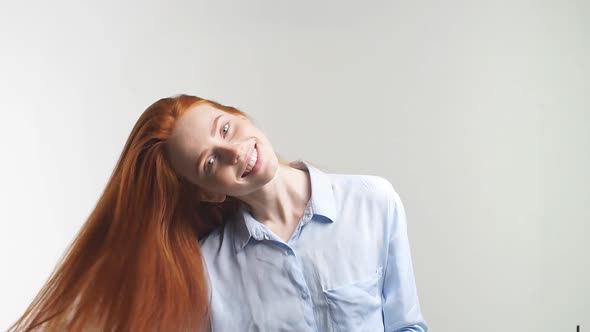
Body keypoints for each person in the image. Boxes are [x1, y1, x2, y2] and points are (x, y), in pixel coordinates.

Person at [9, 94, 427, 332]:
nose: (234, 151)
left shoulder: (374, 201)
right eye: (211, 163)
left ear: (238, 115)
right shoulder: (207, 273)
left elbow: (408, 326)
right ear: (208, 194)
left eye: (225, 128)